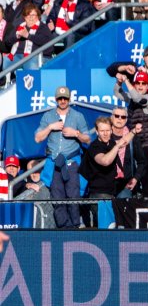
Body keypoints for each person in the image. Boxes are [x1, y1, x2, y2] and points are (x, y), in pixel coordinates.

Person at [34, 86, 91, 228]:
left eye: (65, 98)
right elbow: (37, 138)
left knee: (73, 196)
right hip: (54, 163)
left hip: (72, 162)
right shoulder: (48, 116)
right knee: (57, 197)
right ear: (56, 99)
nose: (63, 101)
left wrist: (76, 133)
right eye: (60, 98)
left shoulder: (78, 116)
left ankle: (75, 225)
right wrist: (50, 127)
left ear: (69, 99)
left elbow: (88, 139)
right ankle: (63, 227)